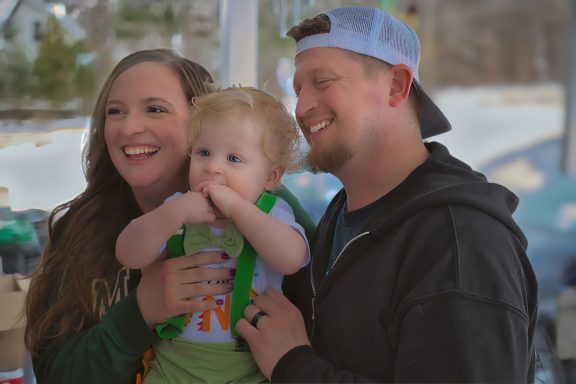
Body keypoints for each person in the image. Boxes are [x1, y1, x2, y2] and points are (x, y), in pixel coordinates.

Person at [236, 6, 538, 383]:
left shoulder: (459, 241)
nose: (301, 107)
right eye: (298, 88)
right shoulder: (347, 212)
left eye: (323, 81)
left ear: (396, 84)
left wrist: (294, 365)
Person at [24, 49, 315, 384]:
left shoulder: (270, 208)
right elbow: (53, 373)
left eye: (155, 109)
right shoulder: (81, 226)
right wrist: (140, 312)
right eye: (115, 111)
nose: (130, 127)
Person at [115, 86, 310, 383]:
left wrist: (236, 208)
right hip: (175, 364)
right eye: (204, 153)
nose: (213, 168)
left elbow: (292, 259)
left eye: (234, 159)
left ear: (271, 176)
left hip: (249, 365)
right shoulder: (178, 210)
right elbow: (127, 254)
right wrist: (172, 214)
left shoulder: (271, 213)